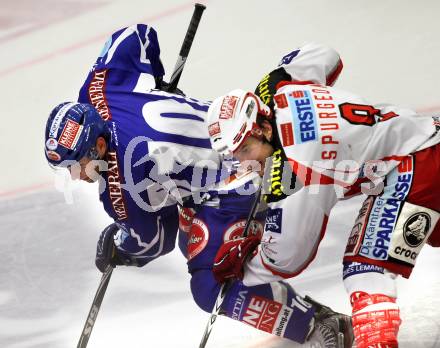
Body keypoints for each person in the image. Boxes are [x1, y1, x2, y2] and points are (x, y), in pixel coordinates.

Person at [44, 24, 353, 347]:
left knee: (209, 283)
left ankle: (318, 325)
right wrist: (159, 83)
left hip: (242, 180)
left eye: (76, 166)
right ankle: (294, 308)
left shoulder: (122, 182)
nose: (77, 177)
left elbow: (152, 242)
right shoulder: (100, 87)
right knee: (191, 233)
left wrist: (120, 247)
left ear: (100, 148)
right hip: (241, 130)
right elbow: (136, 35)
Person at [206, 41, 440, 348]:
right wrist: (286, 82)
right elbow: (327, 56)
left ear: (263, 128)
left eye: (247, 150)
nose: (247, 163)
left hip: (410, 166)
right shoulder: (275, 88)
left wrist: (246, 263)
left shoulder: (292, 168)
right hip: (427, 137)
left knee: (366, 272)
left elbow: (289, 257)